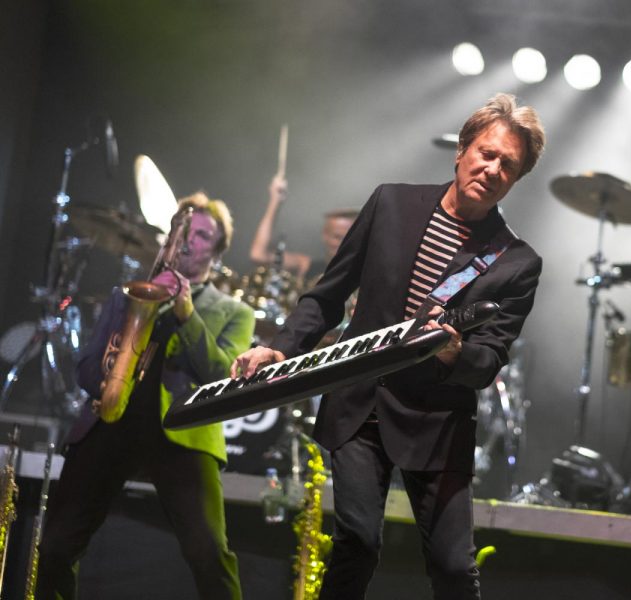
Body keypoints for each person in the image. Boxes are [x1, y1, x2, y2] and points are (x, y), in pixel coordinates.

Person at [231, 93, 545, 599]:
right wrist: (282, 349)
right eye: (486, 153)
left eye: (507, 165)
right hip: (360, 403)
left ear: (516, 179)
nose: (492, 168)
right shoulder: (391, 203)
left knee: (452, 568)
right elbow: (328, 294)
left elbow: (489, 360)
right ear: (462, 150)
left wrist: (452, 352)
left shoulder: (515, 262)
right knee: (357, 541)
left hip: (436, 423)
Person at [36, 193, 254, 599]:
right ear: (169, 237)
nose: (189, 241)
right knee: (55, 547)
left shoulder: (233, 311)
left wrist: (187, 313)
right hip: (110, 422)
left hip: (181, 433)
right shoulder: (126, 295)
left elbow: (221, 373)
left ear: (218, 251)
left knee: (209, 552)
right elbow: (84, 365)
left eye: (203, 235)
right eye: (183, 231)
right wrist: (106, 381)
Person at [249, 173, 358, 282]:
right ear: (325, 235)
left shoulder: (363, 273)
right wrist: (275, 201)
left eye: (348, 238)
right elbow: (258, 255)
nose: (343, 244)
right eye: (337, 237)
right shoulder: (305, 265)